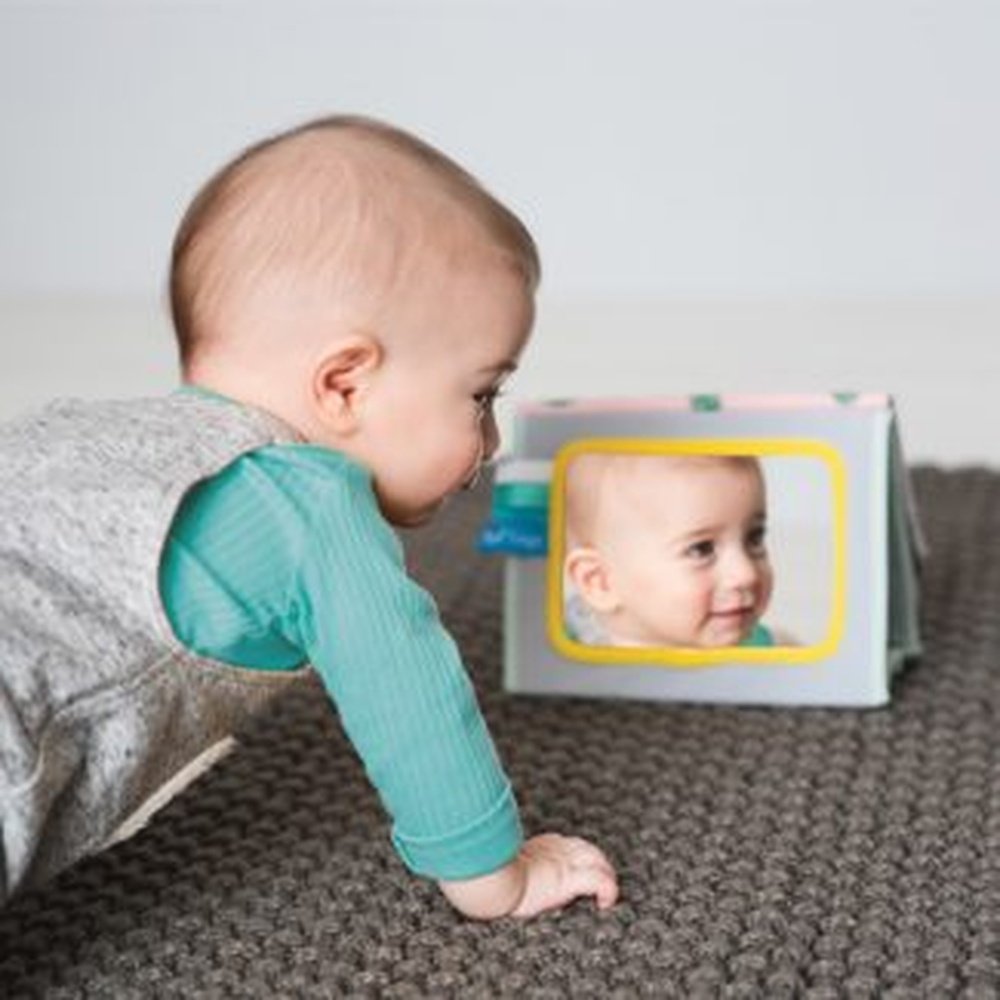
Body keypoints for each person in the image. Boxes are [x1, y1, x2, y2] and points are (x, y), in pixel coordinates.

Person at [0, 115, 618, 919]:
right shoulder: (312, 501)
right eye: (481, 395)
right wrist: (499, 877)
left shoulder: (89, 430)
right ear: (345, 385)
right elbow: (411, 697)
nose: (490, 440)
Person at [563, 452, 785, 649]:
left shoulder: (766, 650)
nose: (746, 574)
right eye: (701, 549)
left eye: (754, 538)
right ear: (601, 581)